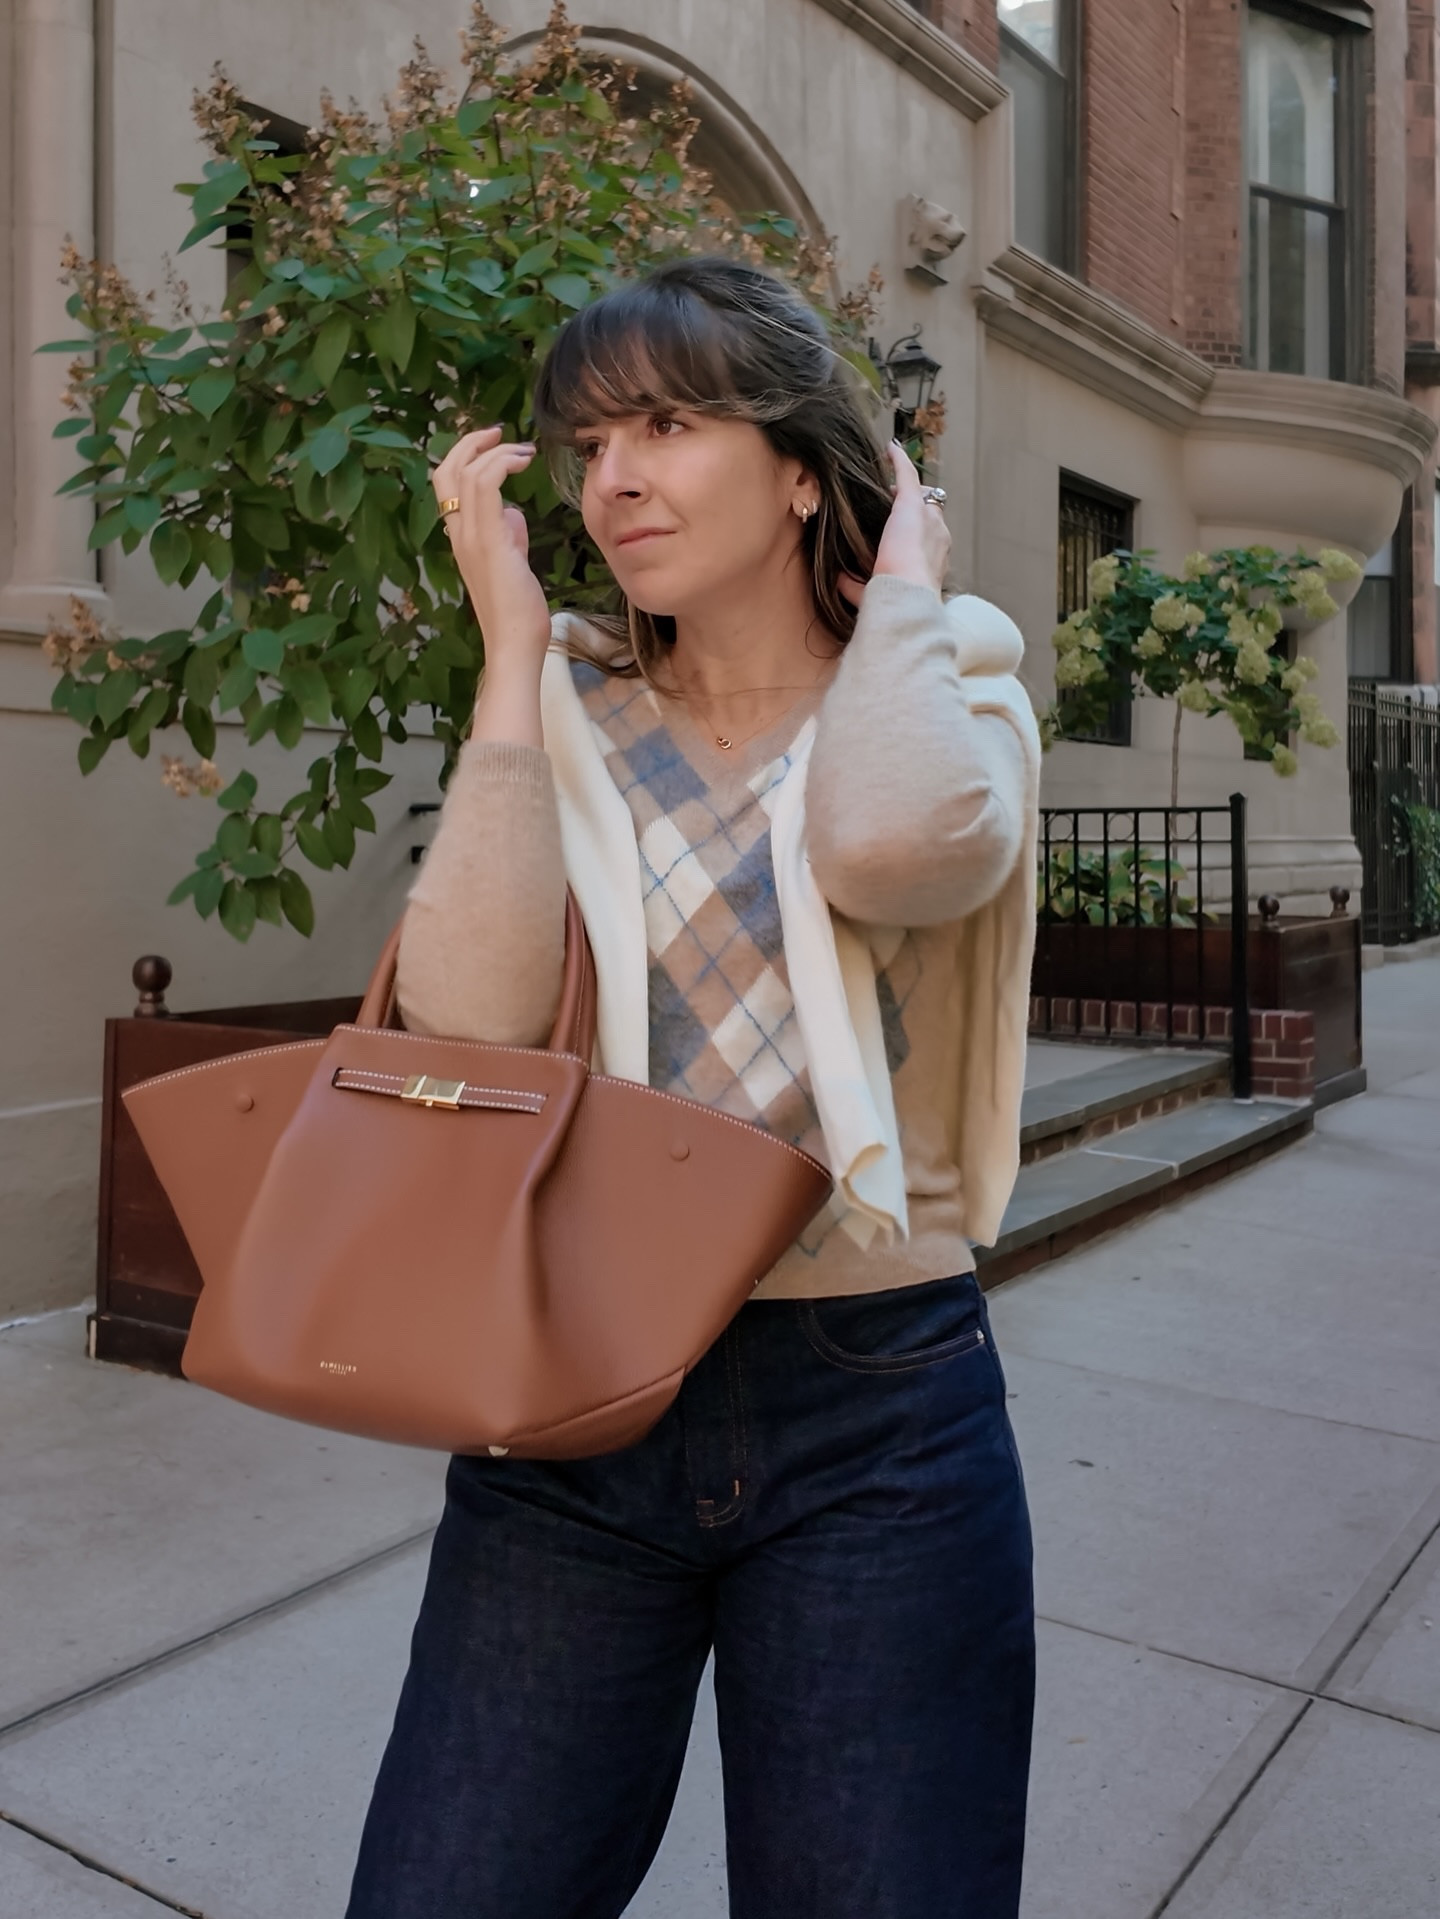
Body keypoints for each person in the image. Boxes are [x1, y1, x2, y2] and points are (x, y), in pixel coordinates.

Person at [345, 254, 1040, 1919]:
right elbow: (473, 1021)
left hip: (877, 1407)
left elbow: (891, 844)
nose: (613, 479)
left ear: (805, 465)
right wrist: (511, 659)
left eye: (665, 423)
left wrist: (909, 578)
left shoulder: (953, 681)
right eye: (589, 444)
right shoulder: (567, 705)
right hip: (575, 1410)